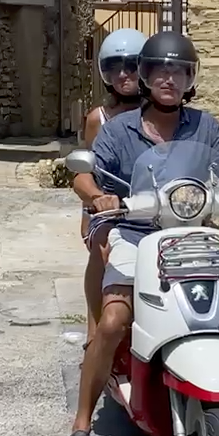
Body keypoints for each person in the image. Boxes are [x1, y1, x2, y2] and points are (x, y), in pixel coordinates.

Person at [60, 31, 219, 436]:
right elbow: (85, 174)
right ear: (145, 77)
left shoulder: (205, 126)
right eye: (159, 70)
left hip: (194, 232)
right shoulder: (120, 129)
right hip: (134, 233)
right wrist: (98, 196)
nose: (169, 78)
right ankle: (82, 424)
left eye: (179, 71)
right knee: (113, 320)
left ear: (190, 79)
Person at [74, 28, 147, 349]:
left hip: (157, 206)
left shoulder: (160, 112)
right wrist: (94, 201)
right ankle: (95, 330)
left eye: (131, 66)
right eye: (114, 67)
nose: (123, 74)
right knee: (101, 245)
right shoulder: (98, 118)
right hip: (111, 210)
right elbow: (87, 169)